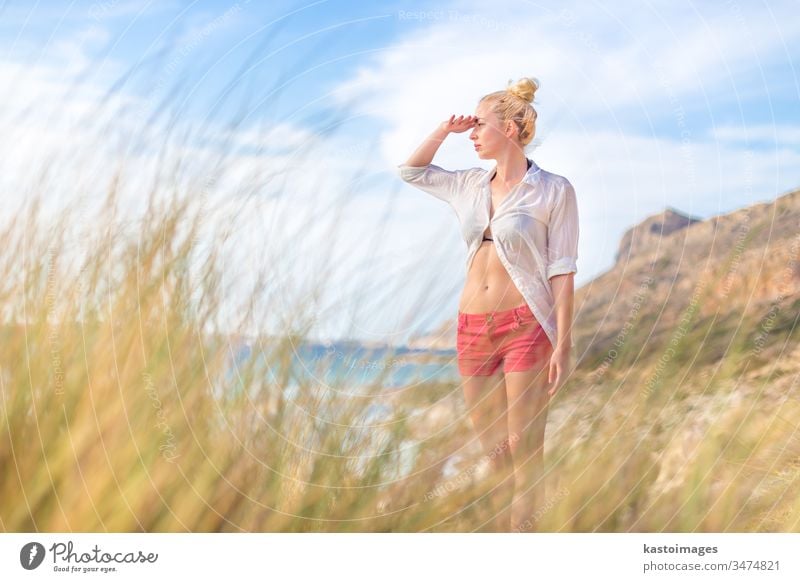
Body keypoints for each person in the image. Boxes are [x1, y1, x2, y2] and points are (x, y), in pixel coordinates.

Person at [396, 77, 579, 532]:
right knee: (494, 450)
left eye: (480, 125)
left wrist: (564, 342)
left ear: (512, 130)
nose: (472, 134)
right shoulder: (468, 186)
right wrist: (443, 130)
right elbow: (411, 171)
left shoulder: (553, 189)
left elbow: (563, 269)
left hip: (527, 326)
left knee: (525, 447)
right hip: (471, 328)